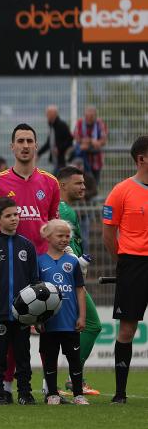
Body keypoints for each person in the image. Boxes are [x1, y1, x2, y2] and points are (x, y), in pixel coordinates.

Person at [0, 124, 60, 396]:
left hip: (43, 263)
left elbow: (54, 222)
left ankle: (50, 386)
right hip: (12, 267)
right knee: (13, 326)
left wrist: (65, 249)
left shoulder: (50, 182)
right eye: (20, 141)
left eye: (30, 141)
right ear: (12, 146)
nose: (25, 145)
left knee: (48, 327)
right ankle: (6, 385)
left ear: (36, 145)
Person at [0, 197, 40, 405]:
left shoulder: (27, 246)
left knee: (23, 354)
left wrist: (35, 313)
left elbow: (34, 281)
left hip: (22, 315)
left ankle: (25, 392)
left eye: (16, 214)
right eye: (9, 216)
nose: (14, 219)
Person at [101, 135, 148, 405]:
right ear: (142, 159)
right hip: (133, 264)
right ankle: (120, 393)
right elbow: (108, 234)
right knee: (127, 330)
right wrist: (122, 263)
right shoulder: (121, 191)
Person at [56, 165, 101, 396]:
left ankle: (65, 382)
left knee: (58, 333)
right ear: (63, 185)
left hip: (65, 277)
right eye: (79, 183)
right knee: (92, 324)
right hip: (67, 280)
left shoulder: (64, 209)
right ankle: (74, 378)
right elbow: (61, 245)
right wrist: (76, 267)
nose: (84, 187)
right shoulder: (64, 211)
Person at [37, 219, 88, 405]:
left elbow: (80, 290)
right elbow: (35, 294)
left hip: (70, 321)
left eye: (67, 236)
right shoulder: (39, 261)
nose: (65, 239)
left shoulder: (72, 261)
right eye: (60, 235)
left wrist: (82, 316)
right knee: (50, 359)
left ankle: (78, 394)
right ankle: (52, 394)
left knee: (74, 359)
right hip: (49, 322)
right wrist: (37, 319)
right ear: (48, 237)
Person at [73, 106, 108, 184]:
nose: (89, 119)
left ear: (95, 116)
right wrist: (91, 141)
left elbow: (103, 140)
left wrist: (94, 142)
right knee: (83, 184)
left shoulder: (100, 123)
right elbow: (76, 136)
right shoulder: (80, 123)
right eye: (87, 116)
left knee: (94, 184)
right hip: (83, 162)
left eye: (91, 117)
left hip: (96, 161)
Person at [38, 105, 73, 175]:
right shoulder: (52, 126)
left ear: (53, 114)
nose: (46, 116)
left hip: (62, 159)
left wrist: (59, 148)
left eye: (48, 114)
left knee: (57, 177)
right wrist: (39, 153)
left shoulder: (61, 125)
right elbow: (49, 143)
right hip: (56, 159)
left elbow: (70, 140)